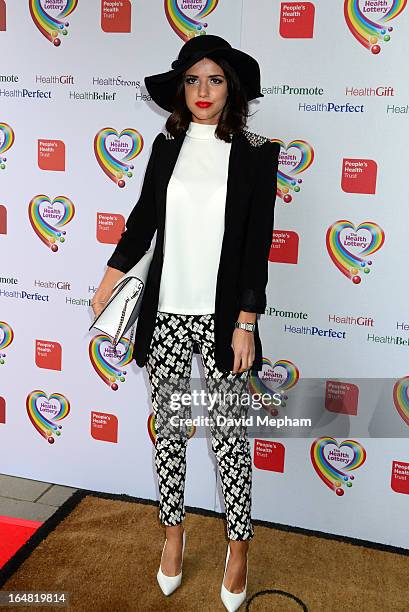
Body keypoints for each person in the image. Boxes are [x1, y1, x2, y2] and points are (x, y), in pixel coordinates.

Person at [92, 34, 279, 612]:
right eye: (193, 79)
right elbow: (144, 217)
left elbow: (256, 245)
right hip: (167, 314)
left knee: (229, 439)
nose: (203, 91)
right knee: (171, 434)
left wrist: (246, 320)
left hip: (225, 321)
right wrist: (109, 277)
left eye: (215, 79)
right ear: (181, 88)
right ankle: (173, 535)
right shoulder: (165, 145)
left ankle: (238, 546)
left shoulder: (256, 150)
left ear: (232, 88)